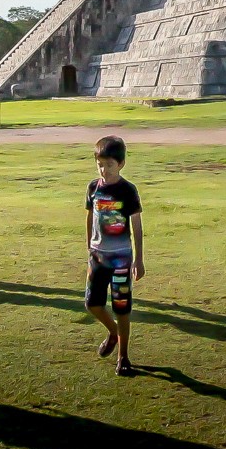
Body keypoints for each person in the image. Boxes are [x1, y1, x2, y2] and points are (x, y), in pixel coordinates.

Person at [84, 135, 144, 376]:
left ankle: (124, 357)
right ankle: (113, 333)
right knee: (92, 304)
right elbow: (90, 216)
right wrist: (89, 245)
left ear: (120, 164)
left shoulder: (128, 191)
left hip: (121, 259)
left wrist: (139, 259)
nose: (104, 169)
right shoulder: (93, 188)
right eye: (100, 164)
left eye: (109, 165)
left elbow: (137, 226)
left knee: (122, 309)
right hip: (98, 256)